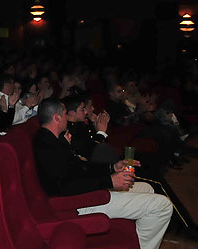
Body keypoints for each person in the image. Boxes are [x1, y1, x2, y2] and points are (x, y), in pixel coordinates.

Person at [33, 99, 173, 249]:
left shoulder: (56, 140)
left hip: (87, 189)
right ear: (57, 117)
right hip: (80, 201)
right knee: (163, 206)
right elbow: (65, 186)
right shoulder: (47, 145)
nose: (68, 117)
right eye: (65, 113)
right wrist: (109, 181)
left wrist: (112, 167)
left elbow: (82, 167)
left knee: (147, 188)